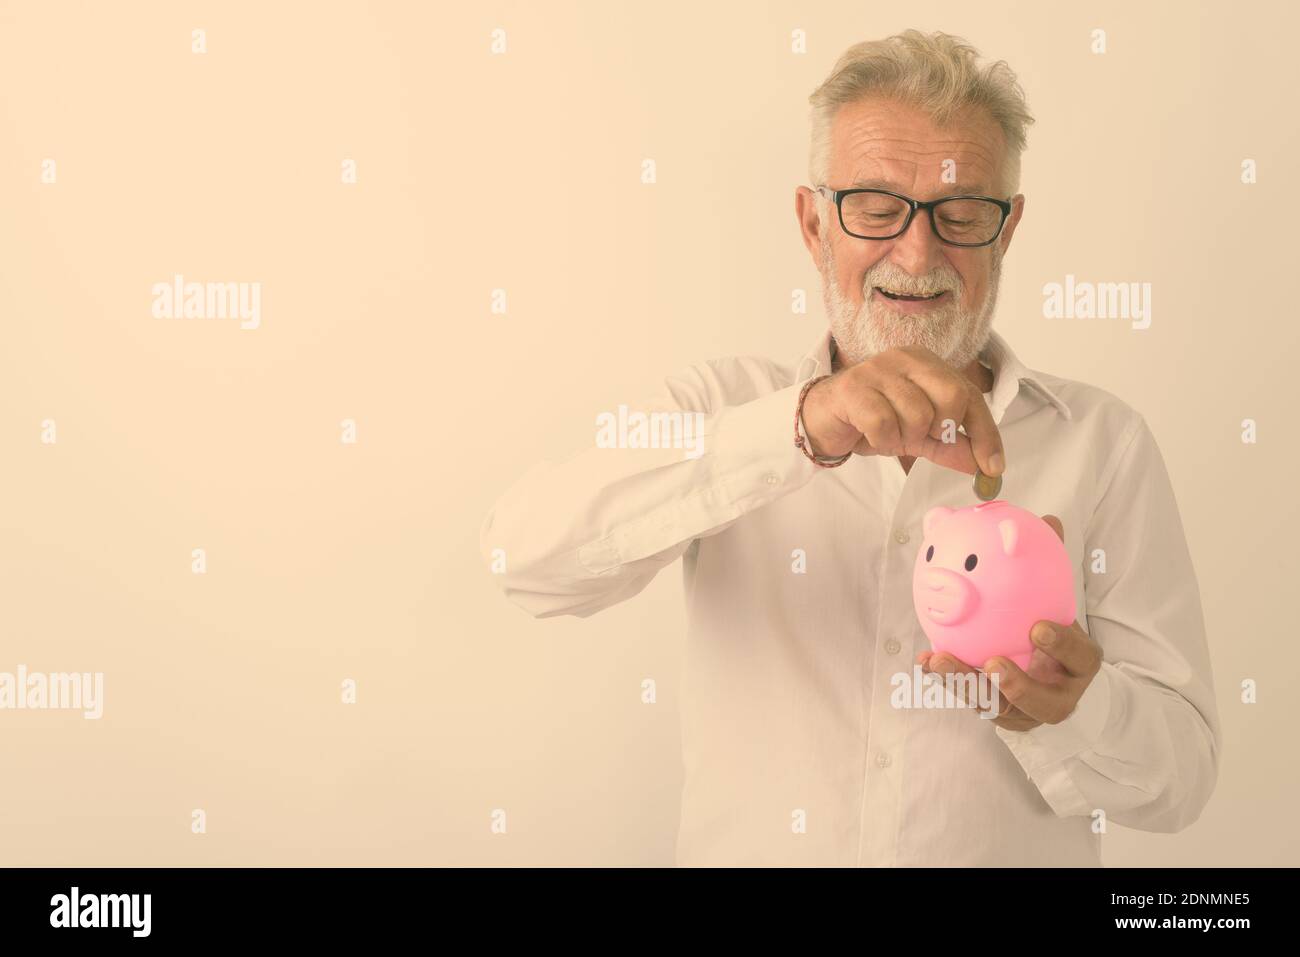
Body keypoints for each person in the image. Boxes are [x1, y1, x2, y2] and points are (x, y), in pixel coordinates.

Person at [479, 30, 1220, 866]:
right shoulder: (723, 408)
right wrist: (794, 431)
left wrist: (1081, 710)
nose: (916, 252)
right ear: (812, 223)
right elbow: (523, 557)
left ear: (1005, 233)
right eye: (875, 206)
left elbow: (1184, 780)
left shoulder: (1102, 442)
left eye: (962, 213)